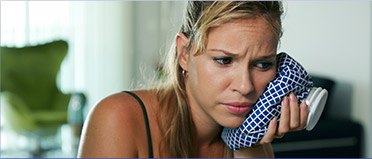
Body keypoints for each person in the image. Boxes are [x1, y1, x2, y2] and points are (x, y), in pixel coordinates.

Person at [77, 1, 309, 158]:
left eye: (262, 64)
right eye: (224, 60)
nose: (245, 86)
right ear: (185, 54)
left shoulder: (253, 141)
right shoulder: (118, 118)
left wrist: (250, 146)